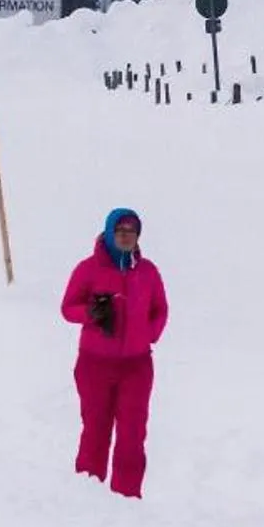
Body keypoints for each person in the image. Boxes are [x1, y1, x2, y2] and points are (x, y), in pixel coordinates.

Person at [61, 207, 169, 499]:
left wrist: (147, 335)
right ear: (109, 232)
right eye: (119, 230)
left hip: (136, 366)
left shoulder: (148, 272)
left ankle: (126, 499)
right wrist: (91, 313)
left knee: (132, 435)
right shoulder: (88, 269)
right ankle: (87, 494)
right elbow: (67, 308)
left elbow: (160, 310)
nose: (125, 236)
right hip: (94, 365)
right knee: (96, 428)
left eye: (130, 231)